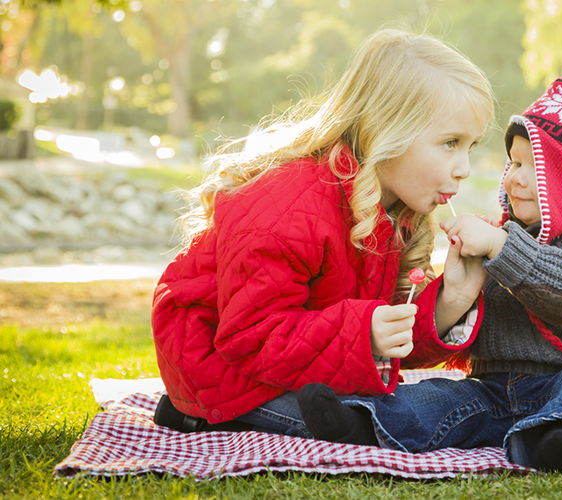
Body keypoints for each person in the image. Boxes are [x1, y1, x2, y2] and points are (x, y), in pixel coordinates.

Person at [298, 58, 562, 473]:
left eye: (531, 168)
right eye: (514, 163)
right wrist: (461, 292)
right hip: (494, 388)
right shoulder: (500, 237)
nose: (513, 178)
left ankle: (560, 439)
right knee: (440, 397)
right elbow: (473, 327)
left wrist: (504, 249)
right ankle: (362, 421)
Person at [150, 28, 494, 435]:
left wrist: (451, 300)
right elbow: (249, 336)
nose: (464, 168)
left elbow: (387, 346)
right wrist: (364, 332)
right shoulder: (289, 206)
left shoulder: (393, 209)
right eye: (450, 142)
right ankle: (194, 411)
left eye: (471, 146)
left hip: (293, 362)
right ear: (388, 131)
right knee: (385, 416)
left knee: (407, 404)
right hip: (223, 370)